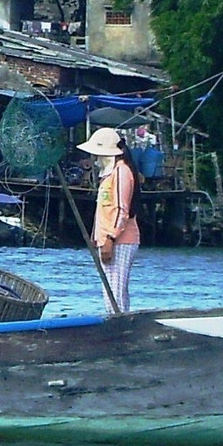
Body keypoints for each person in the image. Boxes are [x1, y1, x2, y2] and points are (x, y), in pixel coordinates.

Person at [77, 126, 141, 314]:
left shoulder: (122, 172)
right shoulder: (109, 175)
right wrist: (95, 236)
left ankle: (119, 328)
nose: (96, 159)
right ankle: (118, 324)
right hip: (106, 239)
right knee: (109, 289)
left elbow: (122, 209)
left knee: (115, 290)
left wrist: (110, 239)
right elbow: (103, 210)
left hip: (120, 240)